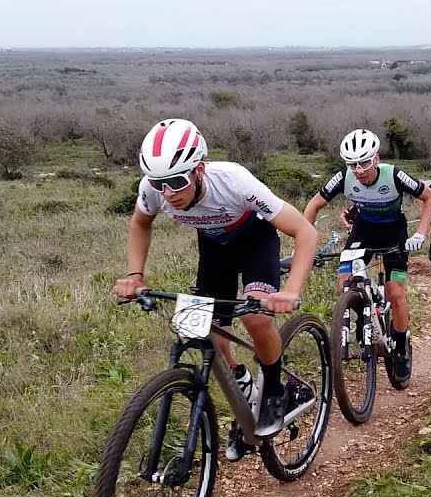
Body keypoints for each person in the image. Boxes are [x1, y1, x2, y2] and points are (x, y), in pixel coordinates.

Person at [113, 118, 318, 461]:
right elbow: (140, 222)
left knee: (255, 319)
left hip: (255, 242)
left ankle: (275, 390)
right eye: (159, 183)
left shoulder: (235, 182)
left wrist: (291, 290)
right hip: (214, 250)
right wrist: (135, 275)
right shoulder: (155, 190)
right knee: (212, 334)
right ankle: (245, 392)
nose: (168, 193)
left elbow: (305, 232)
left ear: (200, 171)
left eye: (177, 182)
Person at [302, 129, 431, 381]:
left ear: (376, 159)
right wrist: (304, 244)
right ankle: (363, 313)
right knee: (344, 284)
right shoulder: (343, 177)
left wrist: (419, 234)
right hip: (363, 231)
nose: (359, 170)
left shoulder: (394, 175)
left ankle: (400, 346)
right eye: (352, 164)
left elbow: (430, 197)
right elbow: (313, 205)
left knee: (395, 292)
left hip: (394, 232)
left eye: (364, 162)